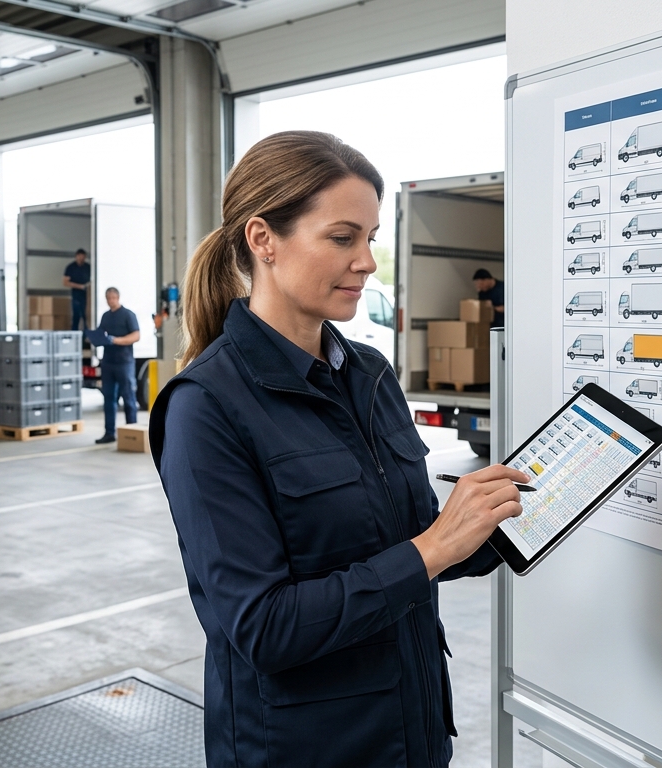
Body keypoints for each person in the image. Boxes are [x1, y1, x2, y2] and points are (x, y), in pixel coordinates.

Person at [148, 131, 531, 767]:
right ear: (263, 239)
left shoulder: (370, 374)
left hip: (411, 735)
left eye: (371, 238)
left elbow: (408, 548)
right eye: (342, 237)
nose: (368, 262)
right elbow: (264, 628)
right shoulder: (206, 406)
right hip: (307, 751)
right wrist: (433, 547)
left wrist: (494, 525)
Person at [92, 287, 140, 444]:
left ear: (118, 297)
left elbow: (136, 335)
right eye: (108, 298)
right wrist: (93, 337)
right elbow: (100, 333)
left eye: (113, 298)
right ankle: (109, 433)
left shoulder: (128, 315)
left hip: (124, 362)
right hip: (108, 363)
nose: (110, 300)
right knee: (109, 398)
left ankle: (132, 433)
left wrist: (115, 340)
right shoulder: (106, 316)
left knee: (128, 398)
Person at [63, 248, 91, 330]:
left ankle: (87, 338)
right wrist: (81, 286)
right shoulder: (71, 267)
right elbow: (65, 282)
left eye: (83, 257)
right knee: (76, 316)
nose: (81, 258)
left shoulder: (88, 267)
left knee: (86, 317)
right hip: (76, 295)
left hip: (86, 296)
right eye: (80, 256)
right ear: (76, 256)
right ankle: (74, 335)